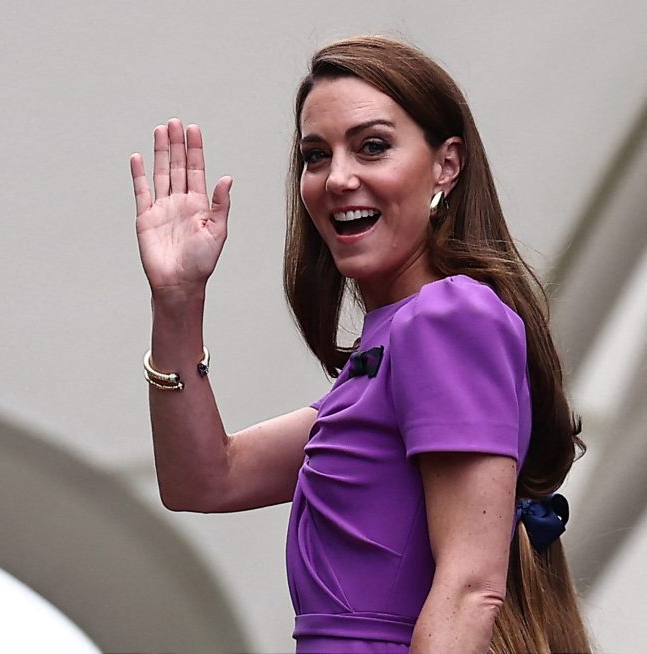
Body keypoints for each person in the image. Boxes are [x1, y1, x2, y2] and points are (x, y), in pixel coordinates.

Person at [129, 36, 590, 654]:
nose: (338, 178)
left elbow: (469, 589)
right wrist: (178, 302)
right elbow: (203, 480)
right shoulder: (391, 351)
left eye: (372, 146)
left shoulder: (448, 317)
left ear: (446, 164)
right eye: (316, 156)